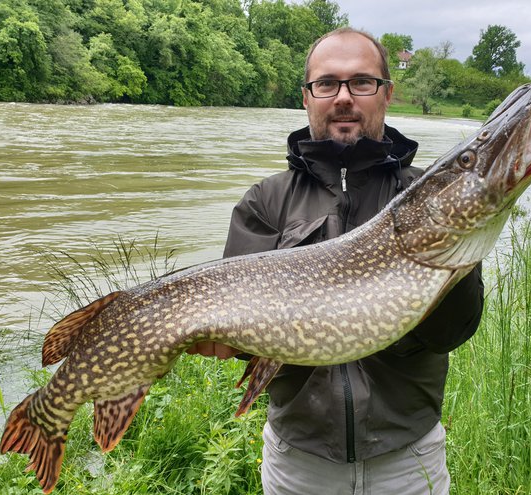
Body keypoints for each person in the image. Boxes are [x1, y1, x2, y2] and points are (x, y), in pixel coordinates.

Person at [187, 27, 484, 495]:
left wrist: (453, 252)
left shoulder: (423, 195)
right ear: (307, 98)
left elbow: (452, 332)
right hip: (299, 464)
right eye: (327, 83)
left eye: (361, 82)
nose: (343, 97)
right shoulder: (266, 201)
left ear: (386, 95)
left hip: (408, 460)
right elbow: (250, 339)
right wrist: (223, 340)